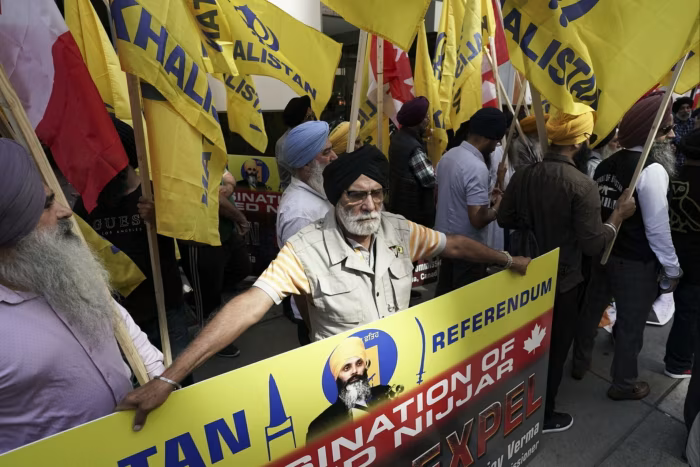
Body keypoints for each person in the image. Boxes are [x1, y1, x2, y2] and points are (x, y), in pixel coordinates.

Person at [117, 145, 531, 430]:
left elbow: (454, 243)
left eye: (376, 194)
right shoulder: (305, 249)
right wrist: (169, 378)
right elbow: (248, 306)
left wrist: (509, 261)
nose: (369, 206)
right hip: (345, 396)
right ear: (336, 197)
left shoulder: (399, 230)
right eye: (356, 196)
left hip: (403, 381)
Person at [0, 139, 164, 453]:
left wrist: (161, 379)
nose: (65, 211)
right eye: (46, 205)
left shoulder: (67, 269)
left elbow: (128, 335)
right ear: (9, 224)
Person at [498, 111, 636, 434]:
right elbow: (593, 245)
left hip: (524, 274)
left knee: (523, 345)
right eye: (586, 138)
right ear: (578, 142)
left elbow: (505, 218)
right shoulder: (582, 185)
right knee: (555, 349)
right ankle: (543, 415)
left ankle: (517, 402)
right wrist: (616, 216)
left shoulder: (524, 176)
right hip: (562, 282)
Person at [573, 92, 682, 401]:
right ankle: (623, 384)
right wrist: (672, 268)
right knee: (631, 326)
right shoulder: (652, 169)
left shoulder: (605, 164)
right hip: (635, 262)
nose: (672, 135)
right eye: (665, 129)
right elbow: (658, 229)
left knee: (590, 311)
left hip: (604, 254)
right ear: (651, 133)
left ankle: (579, 364)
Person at [73, 118, 191, 359]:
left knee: (179, 377)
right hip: (119, 315)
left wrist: (161, 219)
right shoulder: (88, 202)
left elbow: (190, 236)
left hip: (165, 310)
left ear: (121, 159)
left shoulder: (154, 192)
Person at [178, 170, 251, 358]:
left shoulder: (209, 144)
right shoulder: (184, 153)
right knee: (207, 292)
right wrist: (240, 218)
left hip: (224, 232)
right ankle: (210, 340)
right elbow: (211, 198)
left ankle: (199, 300)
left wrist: (229, 186)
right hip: (200, 237)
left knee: (241, 267)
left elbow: (226, 174)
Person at [435, 108, 507, 295]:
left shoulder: (448, 156)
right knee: (464, 309)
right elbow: (478, 219)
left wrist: (487, 197)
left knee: (445, 301)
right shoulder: (477, 167)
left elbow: (445, 195)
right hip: (468, 250)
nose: (495, 147)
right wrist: (498, 206)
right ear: (489, 138)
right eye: (497, 142)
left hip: (445, 243)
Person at [277, 121, 337, 345]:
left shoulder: (316, 192)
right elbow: (300, 282)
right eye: (327, 152)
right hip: (318, 321)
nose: (335, 157)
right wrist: (314, 331)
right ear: (305, 164)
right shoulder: (300, 213)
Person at [306, 337, 394, 441]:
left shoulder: (385, 392)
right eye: (346, 368)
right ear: (337, 375)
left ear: (365, 366)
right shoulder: (320, 426)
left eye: (359, 363)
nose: (354, 371)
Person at [664, 129, 700, 381]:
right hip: (695, 261)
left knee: (639, 304)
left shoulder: (668, 176)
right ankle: (677, 363)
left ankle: (620, 334)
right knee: (688, 311)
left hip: (663, 253)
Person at [388, 96, 435, 227]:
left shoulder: (398, 137)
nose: (428, 120)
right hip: (414, 213)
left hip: (399, 206)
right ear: (417, 121)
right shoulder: (413, 146)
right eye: (425, 117)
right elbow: (429, 179)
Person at [276, 95, 316, 191]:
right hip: (297, 194)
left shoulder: (304, 137)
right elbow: (303, 173)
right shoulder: (286, 142)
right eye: (310, 114)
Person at [673, 96, 696, 168]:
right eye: (682, 108)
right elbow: (676, 140)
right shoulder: (672, 123)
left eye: (688, 108)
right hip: (674, 163)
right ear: (677, 110)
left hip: (690, 164)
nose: (686, 110)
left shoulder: (694, 123)